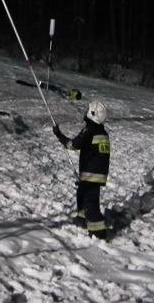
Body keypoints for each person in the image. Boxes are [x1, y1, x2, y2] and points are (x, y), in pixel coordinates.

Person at [52, 101, 111, 240]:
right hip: (97, 175)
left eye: (88, 110)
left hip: (90, 175)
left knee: (91, 204)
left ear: (92, 114)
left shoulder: (89, 130)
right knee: (82, 195)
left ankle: (99, 233)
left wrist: (58, 134)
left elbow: (73, 145)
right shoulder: (102, 132)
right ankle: (82, 219)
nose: (85, 111)